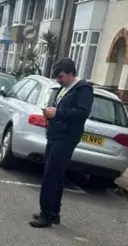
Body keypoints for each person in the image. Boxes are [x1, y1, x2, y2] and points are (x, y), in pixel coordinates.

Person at [30, 58, 94, 228]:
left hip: (67, 137)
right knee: (57, 174)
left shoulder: (83, 90)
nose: (58, 79)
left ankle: (45, 214)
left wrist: (58, 113)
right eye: (57, 77)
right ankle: (54, 213)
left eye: (61, 76)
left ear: (71, 73)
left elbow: (82, 113)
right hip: (55, 135)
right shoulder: (65, 89)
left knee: (51, 174)